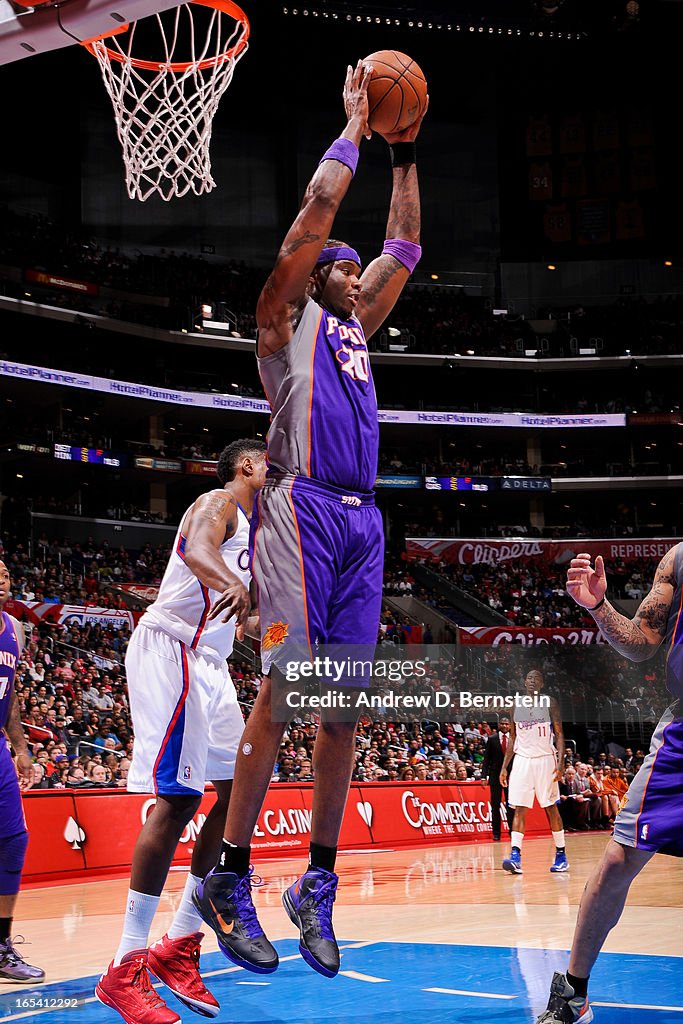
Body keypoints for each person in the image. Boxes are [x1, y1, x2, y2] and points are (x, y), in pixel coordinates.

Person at [194, 59, 427, 980]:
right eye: (338, 262)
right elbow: (315, 219)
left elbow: (403, 246)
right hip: (297, 510)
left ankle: (315, 885)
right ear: (310, 276)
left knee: (343, 716)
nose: (351, 266)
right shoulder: (281, 323)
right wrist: (356, 129)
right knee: (286, 691)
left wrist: (406, 151)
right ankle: (232, 873)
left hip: (362, 525)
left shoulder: (355, 325)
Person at [96, 439, 267, 1024]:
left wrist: (284, 642)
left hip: (212, 666)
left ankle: (179, 942)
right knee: (178, 800)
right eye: (271, 460)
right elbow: (197, 553)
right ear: (248, 465)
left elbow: (246, 623)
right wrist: (237, 587)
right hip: (172, 651)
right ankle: (124, 967)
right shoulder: (216, 502)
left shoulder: (256, 533)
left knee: (240, 792)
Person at [536, 545, 683, 1024]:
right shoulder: (679, 558)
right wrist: (598, 606)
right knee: (618, 858)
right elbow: (642, 639)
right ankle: (573, 993)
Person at [0, 560, 45, 983]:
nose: (1, 579)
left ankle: (1, 946)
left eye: (7, 575)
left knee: (14, 841)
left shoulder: (14, 628)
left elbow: (10, 693)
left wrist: (21, 748)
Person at [500, 669, 568, 874]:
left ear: (542, 683)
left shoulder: (550, 703)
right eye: (529, 677)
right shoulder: (515, 704)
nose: (531, 681)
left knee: (550, 808)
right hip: (522, 760)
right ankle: (515, 855)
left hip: (545, 760)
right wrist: (505, 766)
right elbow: (513, 737)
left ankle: (561, 854)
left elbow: (559, 734)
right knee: (519, 808)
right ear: (524, 681)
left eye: (536, 678)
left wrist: (561, 762)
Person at [481, 716, 515, 840]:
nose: (505, 726)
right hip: (495, 777)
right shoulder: (492, 739)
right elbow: (486, 760)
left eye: (507, 724)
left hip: (511, 777)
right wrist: (484, 776)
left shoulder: (514, 739)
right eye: (502, 724)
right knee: (495, 805)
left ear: (510, 726)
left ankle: (513, 832)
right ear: (499, 725)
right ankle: (496, 833)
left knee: (511, 805)